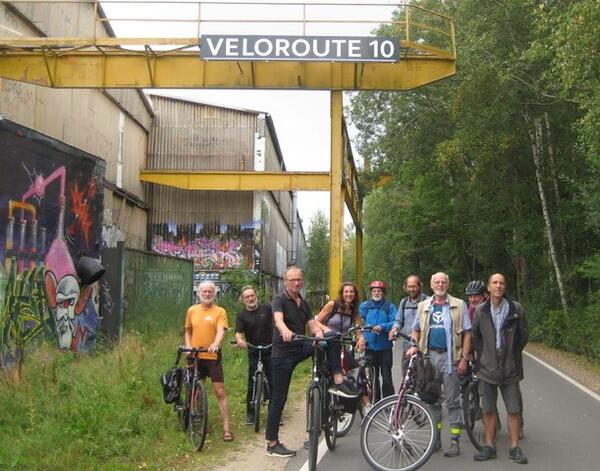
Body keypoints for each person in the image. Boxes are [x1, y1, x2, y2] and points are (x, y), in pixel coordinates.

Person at [406, 272, 471, 457]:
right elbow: (415, 330)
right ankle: (437, 441)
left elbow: (467, 333)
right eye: (437, 282)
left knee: (452, 401)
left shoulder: (459, 305)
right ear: (431, 285)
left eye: (443, 282)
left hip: (451, 359)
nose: (440, 284)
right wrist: (413, 345)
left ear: (448, 285)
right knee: (432, 401)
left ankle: (454, 441)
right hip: (429, 359)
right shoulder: (423, 306)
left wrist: (464, 358)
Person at [265, 266, 323, 458]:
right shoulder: (279, 300)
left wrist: (319, 333)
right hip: (283, 354)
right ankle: (272, 444)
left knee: (324, 344)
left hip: (300, 347)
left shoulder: (303, 303)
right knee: (279, 398)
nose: (296, 283)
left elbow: (312, 324)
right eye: (292, 280)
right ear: (285, 281)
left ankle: (325, 380)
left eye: (299, 279)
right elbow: (278, 320)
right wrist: (284, 331)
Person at [472, 273, 528, 464]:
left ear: (505, 287)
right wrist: (485, 356)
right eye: (494, 283)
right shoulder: (480, 310)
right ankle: (490, 446)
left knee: (513, 409)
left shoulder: (516, 309)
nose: (498, 286)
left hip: (510, 367)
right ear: (488, 287)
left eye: (501, 283)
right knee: (488, 409)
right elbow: (476, 337)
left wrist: (511, 354)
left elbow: (523, 337)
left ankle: (514, 447)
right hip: (487, 368)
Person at [184, 281, 233, 442]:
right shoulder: (192, 310)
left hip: (212, 357)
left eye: (210, 292)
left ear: (214, 294)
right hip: (196, 356)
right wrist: (189, 346)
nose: (207, 294)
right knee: (195, 391)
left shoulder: (220, 311)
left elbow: (221, 330)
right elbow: (188, 331)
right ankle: (198, 418)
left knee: (219, 391)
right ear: (199, 293)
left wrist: (216, 344)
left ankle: (227, 428)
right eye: (204, 291)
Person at [315, 281, 366, 398]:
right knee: (324, 370)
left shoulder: (354, 311)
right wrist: (327, 330)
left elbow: (358, 329)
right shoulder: (332, 305)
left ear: (355, 294)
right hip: (326, 342)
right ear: (342, 294)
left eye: (351, 292)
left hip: (340, 345)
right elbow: (316, 321)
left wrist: (361, 338)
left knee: (356, 370)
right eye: (346, 292)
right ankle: (335, 381)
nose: (349, 294)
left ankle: (364, 403)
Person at [234, 285, 273, 425]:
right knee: (252, 382)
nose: (250, 298)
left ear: (256, 295)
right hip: (254, 350)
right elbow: (238, 332)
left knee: (273, 380)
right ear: (242, 300)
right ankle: (250, 414)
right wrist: (239, 340)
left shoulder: (267, 309)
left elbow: (277, 324)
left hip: (270, 349)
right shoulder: (241, 315)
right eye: (247, 297)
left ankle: (274, 413)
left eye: (252, 295)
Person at [359, 280, 397, 401]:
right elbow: (357, 319)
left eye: (379, 291)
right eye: (374, 291)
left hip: (385, 347)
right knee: (371, 377)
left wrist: (383, 327)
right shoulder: (365, 306)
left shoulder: (389, 306)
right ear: (371, 293)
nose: (376, 293)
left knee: (386, 376)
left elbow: (395, 321)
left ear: (383, 292)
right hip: (369, 348)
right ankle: (375, 402)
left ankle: (388, 402)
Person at [389, 275, 428, 356]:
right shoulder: (404, 302)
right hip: (407, 346)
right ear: (405, 287)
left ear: (420, 286)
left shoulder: (427, 301)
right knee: (407, 368)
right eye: (409, 287)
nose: (411, 289)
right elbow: (399, 320)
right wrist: (394, 328)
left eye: (414, 286)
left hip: (424, 347)